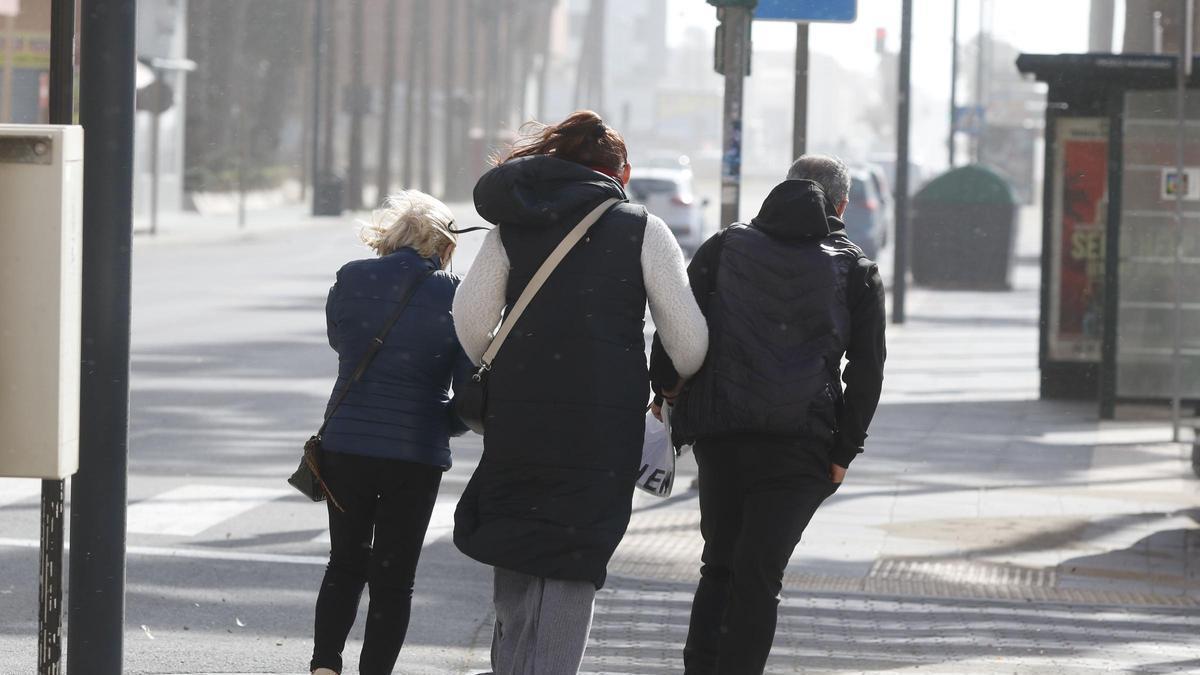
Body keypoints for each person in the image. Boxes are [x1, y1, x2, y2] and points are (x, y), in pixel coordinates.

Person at [451, 110, 709, 674]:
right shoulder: (642, 228)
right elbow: (688, 344)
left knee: (515, 549)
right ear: (623, 173)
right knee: (572, 563)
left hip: (517, 420)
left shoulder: (511, 227)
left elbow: (470, 320)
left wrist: (515, 366)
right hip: (601, 432)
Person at [649, 154, 887, 675]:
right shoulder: (856, 270)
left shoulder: (723, 247)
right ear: (841, 205)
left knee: (720, 567)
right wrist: (844, 449)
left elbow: (677, 324)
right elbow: (867, 370)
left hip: (723, 436)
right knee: (759, 576)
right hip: (801, 446)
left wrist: (666, 389)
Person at [310, 191, 474, 675]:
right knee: (394, 577)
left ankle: (324, 665)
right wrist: (442, 422)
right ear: (444, 243)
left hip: (346, 445)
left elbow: (342, 342)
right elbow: (467, 392)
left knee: (344, 564)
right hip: (416, 454)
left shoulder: (351, 277)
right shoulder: (455, 294)